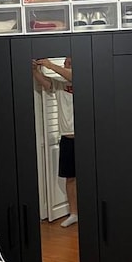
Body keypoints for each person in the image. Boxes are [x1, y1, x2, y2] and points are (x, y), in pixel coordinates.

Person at [32, 57, 78, 227]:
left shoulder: (85, 78)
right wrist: (35, 70)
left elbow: (72, 76)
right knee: (70, 178)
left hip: (86, 138)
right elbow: (44, 82)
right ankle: (74, 213)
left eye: (69, 62)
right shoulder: (59, 84)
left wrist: (50, 64)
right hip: (67, 138)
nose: (66, 64)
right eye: (66, 62)